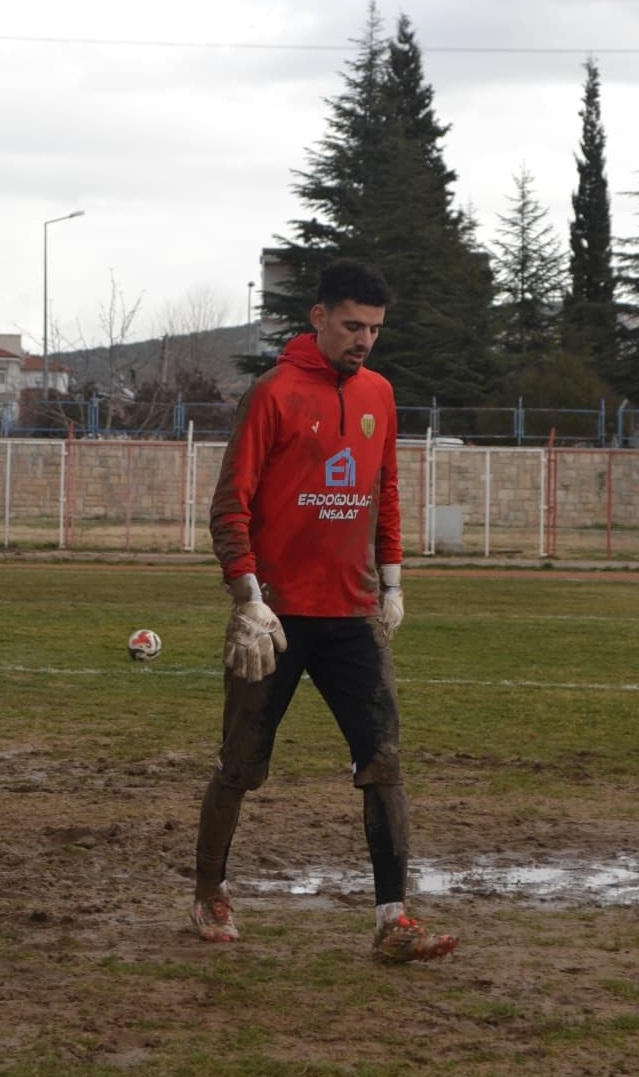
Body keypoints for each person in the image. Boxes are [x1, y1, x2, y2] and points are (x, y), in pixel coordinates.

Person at [192, 258, 458, 963]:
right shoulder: (274, 393)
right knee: (241, 765)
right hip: (273, 621)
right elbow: (229, 508)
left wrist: (393, 585)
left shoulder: (379, 393)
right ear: (318, 318)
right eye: (351, 325)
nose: (364, 339)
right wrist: (247, 600)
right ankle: (209, 890)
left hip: (352, 617)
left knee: (385, 763)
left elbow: (387, 495)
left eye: (374, 328)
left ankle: (393, 920)